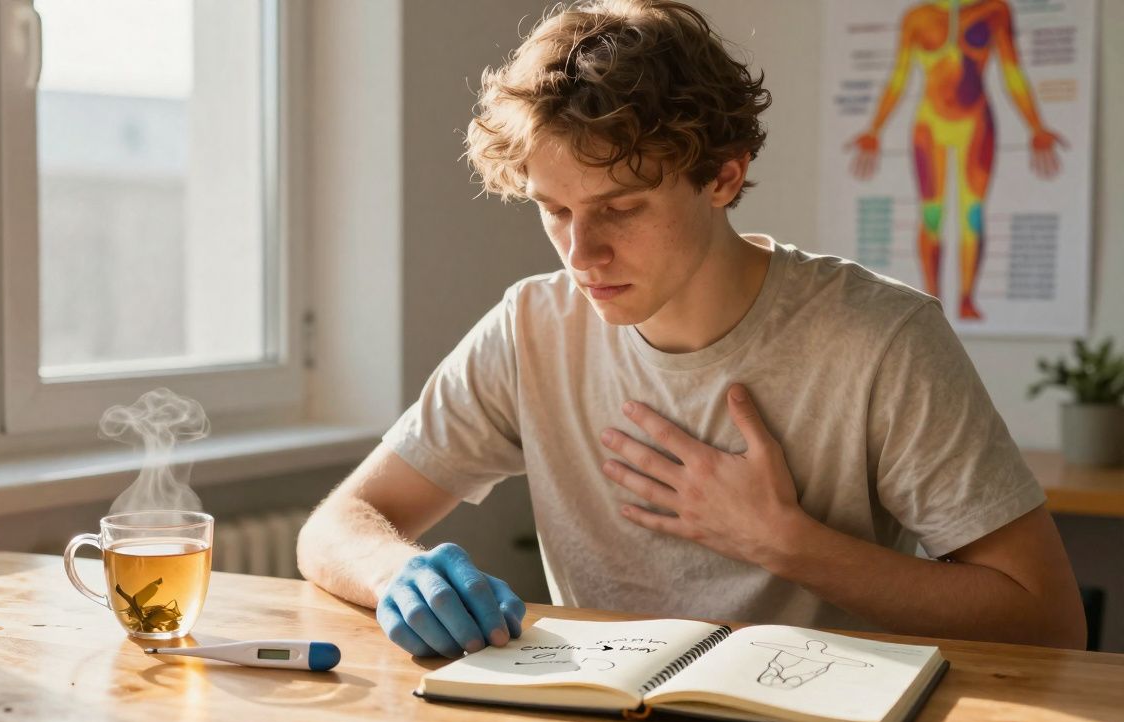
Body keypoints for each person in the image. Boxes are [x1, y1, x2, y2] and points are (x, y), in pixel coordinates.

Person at [296, 0, 1086, 658]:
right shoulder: (532, 327)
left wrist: (785, 542)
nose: (581, 253)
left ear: (723, 176)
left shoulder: (883, 338)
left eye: (620, 208)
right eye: (555, 209)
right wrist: (398, 573)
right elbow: (337, 526)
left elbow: (1048, 623)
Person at [847, 0, 1066, 320]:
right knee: (931, 214)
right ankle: (930, 298)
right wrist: (875, 129)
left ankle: (966, 298)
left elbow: (1012, 71)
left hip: (976, 122)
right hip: (930, 124)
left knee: (972, 215)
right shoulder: (917, 18)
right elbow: (899, 77)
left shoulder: (994, 11)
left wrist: (1036, 125)